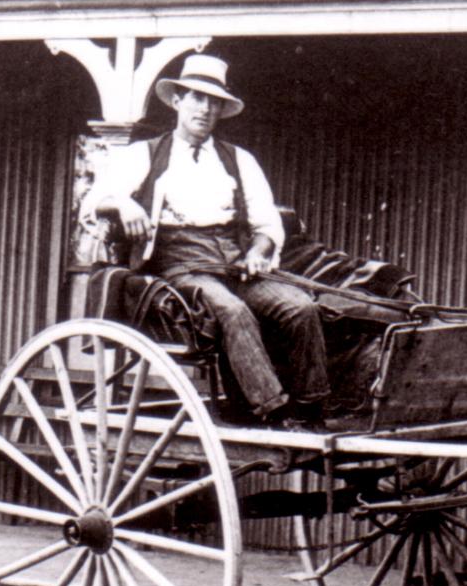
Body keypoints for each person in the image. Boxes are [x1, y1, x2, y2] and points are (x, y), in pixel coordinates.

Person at [84, 53, 329, 427]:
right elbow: (94, 201)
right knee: (232, 311)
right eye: (197, 98)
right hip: (179, 263)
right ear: (178, 101)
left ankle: (311, 408)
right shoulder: (145, 154)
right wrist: (123, 203)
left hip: (233, 261)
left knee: (300, 307)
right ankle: (272, 409)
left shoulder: (238, 160)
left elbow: (266, 224)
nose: (205, 109)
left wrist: (259, 252)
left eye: (214, 102)